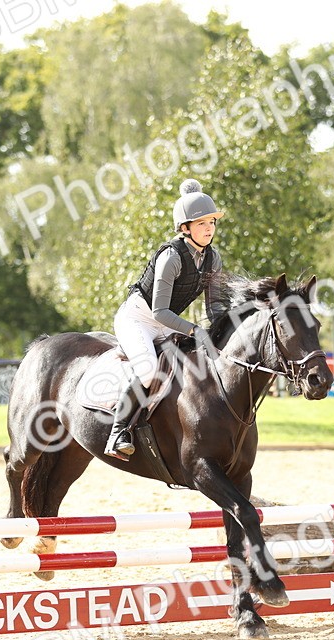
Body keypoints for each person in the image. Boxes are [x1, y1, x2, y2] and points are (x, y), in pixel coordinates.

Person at [104, 178, 226, 460]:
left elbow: (215, 307)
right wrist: (195, 329)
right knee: (148, 370)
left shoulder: (213, 259)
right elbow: (158, 311)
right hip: (138, 318)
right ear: (185, 228)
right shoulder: (171, 257)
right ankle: (117, 433)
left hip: (166, 322)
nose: (209, 228)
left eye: (212, 222)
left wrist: (223, 331)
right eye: (202, 223)